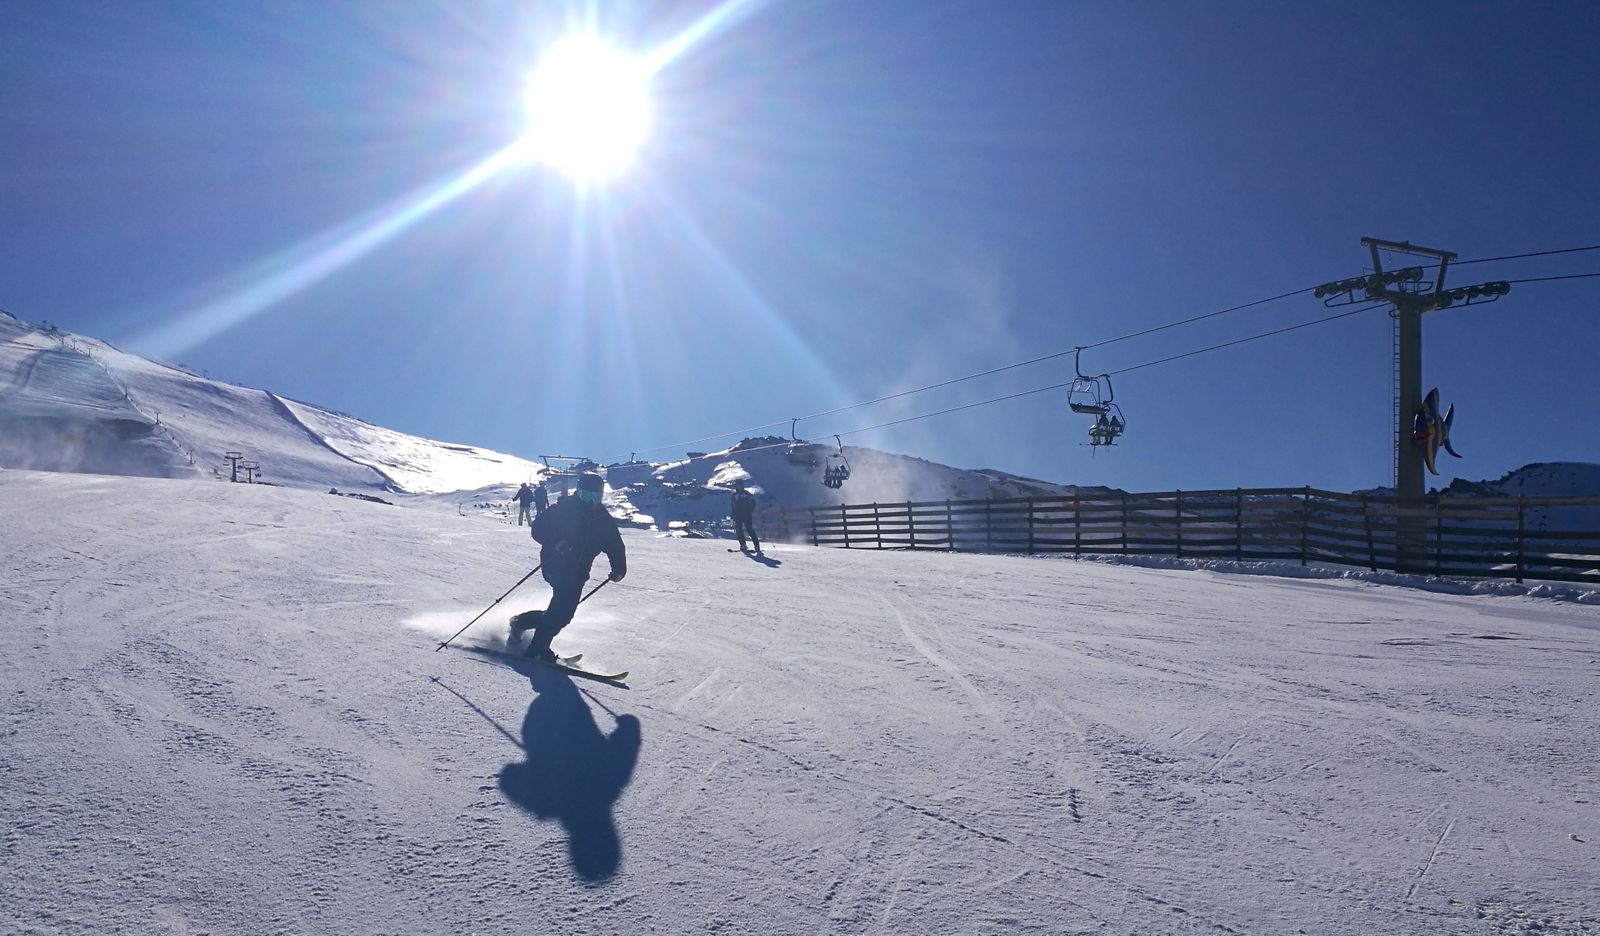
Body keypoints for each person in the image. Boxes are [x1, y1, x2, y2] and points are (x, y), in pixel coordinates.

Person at [510, 472, 626, 662]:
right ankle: (538, 649)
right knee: (561, 608)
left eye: (595, 497)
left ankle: (520, 622)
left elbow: (615, 545)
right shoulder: (562, 509)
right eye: (586, 496)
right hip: (555, 562)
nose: (590, 502)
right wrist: (556, 542)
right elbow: (537, 529)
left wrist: (619, 568)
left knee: (563, 614)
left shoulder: (603, 521)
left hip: (579, 571)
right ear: (578, 492)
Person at [731, 478, 761, 554]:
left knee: (750, 529)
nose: (739, 487)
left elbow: (753, 503)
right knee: (739, 529)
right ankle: (743, 544)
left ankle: (756, 545)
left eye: (740, 485)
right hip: (738, 515)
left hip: (747, 514)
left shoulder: (747, 494)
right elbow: (733, 506)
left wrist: (750, 510)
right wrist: (733, 515)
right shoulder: (734, 495)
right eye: (738, 485)